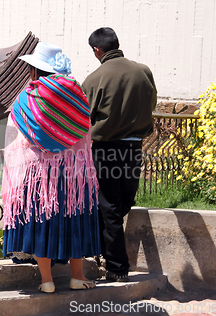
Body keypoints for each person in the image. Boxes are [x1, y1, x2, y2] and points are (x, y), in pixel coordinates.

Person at [2, 42, 100, 293]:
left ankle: (47, 281)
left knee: (40, 220)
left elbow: (17, 137)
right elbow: (84, 132)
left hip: (37, 175)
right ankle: (77, 276)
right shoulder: (76, 93)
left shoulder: (27, 97)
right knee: (73, 219)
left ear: (36, 70)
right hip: (72, 175)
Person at [82, 27, 157, 282]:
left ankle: (116, 266)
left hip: (106, 149)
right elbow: (152, 102)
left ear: (97, 50)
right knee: (123, 202)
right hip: (134, 147)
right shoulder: (143, 71)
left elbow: (85, 118)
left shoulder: (93, 79)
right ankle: (105, 253)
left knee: (110, 207)